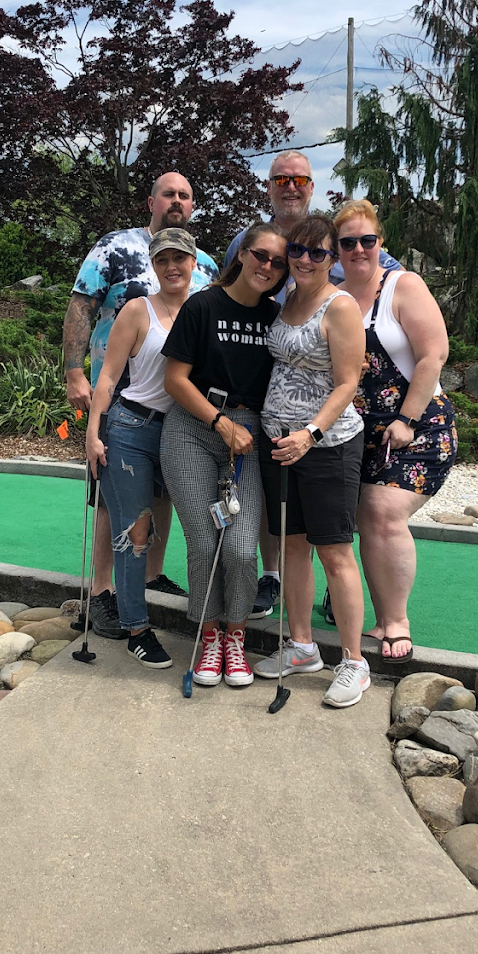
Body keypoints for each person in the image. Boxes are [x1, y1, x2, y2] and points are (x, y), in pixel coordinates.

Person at [226, 151, 400, 620]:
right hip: (271, 422)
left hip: (326, 429)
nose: (290, 186)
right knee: (287, 532)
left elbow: (384, 275)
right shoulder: (253, 246)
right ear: (268, 185)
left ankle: (349, 642)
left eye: (300, 179)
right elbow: (235, 296)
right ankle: (279, 590)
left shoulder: (338, 248)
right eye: (281, 178)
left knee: (332, 543)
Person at [63, 173, 218, 635]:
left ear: (193, 205)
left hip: (179, 407)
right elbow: (81, 306)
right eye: (169, 194)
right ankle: (102, 590)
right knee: (112, 501)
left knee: (162, 494)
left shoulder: (205, 265)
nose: (177, 201)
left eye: (185, 195)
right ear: (152, 201)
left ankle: (152, 574)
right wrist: (74, 372)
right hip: (118, 398)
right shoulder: (115, 247)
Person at [161, 224, 289, 689]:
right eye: (260, 255)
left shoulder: (277, 317)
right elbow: (175, 379)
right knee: (203, 543)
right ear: (242, 254)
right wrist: (219, 422)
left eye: (278, 262)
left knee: (238, 547)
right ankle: (210, 636)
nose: (267, 266)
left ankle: (236, 635)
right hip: (193, 429)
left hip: (249, 435)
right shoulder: (203, 305)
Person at [253, 214, 370, 709]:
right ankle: (302, 647)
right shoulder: (286, 298)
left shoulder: (339, 306)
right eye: (297, 250)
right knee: (293, 547)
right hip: (279, 444)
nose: (304, 259)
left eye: (317, 252)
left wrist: (310, 433)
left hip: (327, 446)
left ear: (331, 258)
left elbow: (347, 383)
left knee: (335, 552)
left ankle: (354, 661)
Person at [335, 198, 456, 663]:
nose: (358, 250)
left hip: (418, 426)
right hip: (359, 433)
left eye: (367, 240)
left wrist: (405, 419)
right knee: (367, 519)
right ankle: (381, 616)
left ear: (379, 242)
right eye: (348, 242)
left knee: (382, 511)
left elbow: (434, 355)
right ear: (337, 248)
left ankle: (397, 621)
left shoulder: (403, 286)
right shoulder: (335, 296)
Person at [86, 229, 198, 671]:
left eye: (179, 258)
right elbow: (109, 377)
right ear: (153, 264)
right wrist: (93, 432)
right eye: (162, 259)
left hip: (185, 432)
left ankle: (213, 624)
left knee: (202, 526)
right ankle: (137, 629)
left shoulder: (204, 309)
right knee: (134, 532)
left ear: (193, 263)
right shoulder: (137, 310)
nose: (172, 267)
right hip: (132, 427)